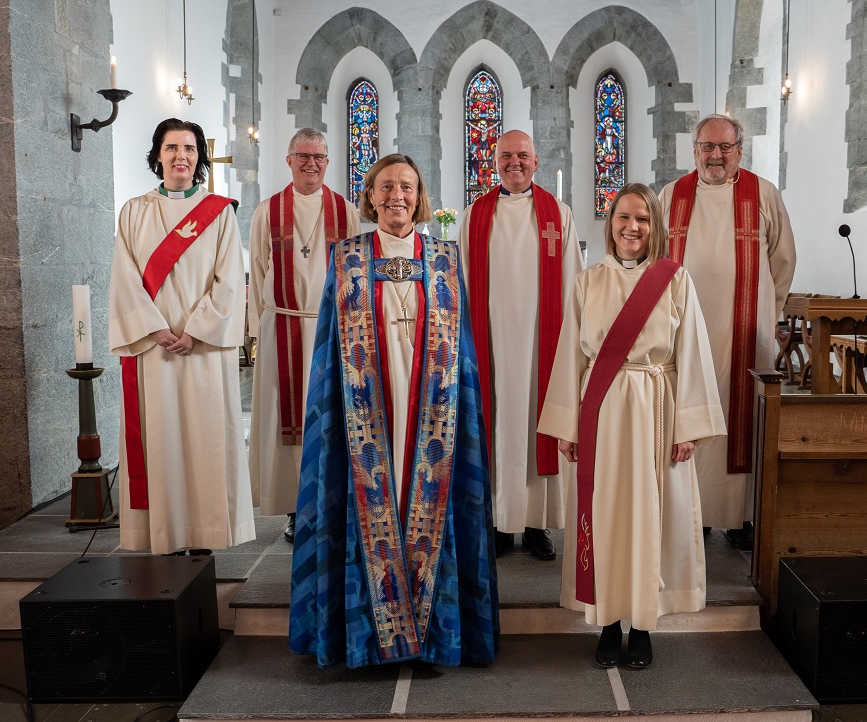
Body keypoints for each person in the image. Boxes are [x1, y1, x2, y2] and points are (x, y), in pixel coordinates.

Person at [290, 154, 498, 668]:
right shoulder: (347, 258)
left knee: (426, 498)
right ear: (371, 194)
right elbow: (330, 353)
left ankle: (434, 634)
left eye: (406, 186)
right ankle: (365, 640)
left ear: (419, 194)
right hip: (368, 411)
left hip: (434, 412)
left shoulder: (445, 260)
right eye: (386, 187)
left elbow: (463, 352)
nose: (396, 196)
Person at [538, 183, 726, 669]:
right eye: (623, 217)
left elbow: (693, 355)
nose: (632, 227)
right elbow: (569, 358)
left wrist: (688, 426)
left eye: (642, 219)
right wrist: (567, 426)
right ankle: (607, 621)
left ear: (654, 226)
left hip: (656, 409)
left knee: (651, 514)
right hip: (601, 410)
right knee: (605, 514)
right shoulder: (588, 281)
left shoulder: (674, 280)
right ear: (610, 223)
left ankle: (643, 623)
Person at [109, 118, 255, 555]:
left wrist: (195, 332)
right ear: (157, 156)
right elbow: (124, 277)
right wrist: (155, 328)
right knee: (163, 438)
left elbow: (229, 280)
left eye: (189, 149)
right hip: (154, 349)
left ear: (199, 158)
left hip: (203, 351)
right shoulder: (135, 211)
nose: (181, 157)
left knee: (205, 439)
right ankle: (164, 532)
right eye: (171, 148)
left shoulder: (220, 213)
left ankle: (204, 534)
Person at [657, 114, 796, 549]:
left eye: (725, 147)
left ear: (740, 150)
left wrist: (765, 312)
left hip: (745, 328)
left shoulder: (763, 194)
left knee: (744, 415)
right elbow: (654, 257)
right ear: (694, 150)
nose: (715, 155)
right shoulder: (671, 195)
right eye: (707, 147)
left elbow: (783, 259)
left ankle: (740, 517)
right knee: (688, 413)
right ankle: (692, 514)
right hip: (683, 329)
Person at [457, 129, 584, 561]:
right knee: (496, 428)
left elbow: (574, 284)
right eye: (506, 156)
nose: (515, 163)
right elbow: (462, 282)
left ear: (536, 161)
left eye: (523, 156)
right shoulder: (474, 216)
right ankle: (497, 522)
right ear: (493, 162)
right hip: (490, 341)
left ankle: (535, 524)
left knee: (538, 425)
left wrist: (571, 342)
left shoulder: (558, 214)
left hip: (542, 342)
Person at [247, 128, 360, 543]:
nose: (311, 163)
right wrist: (258, 331)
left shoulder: (345, 211)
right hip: (283, 327)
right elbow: (259, 270)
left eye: (319, 157)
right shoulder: (267, 211)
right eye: (303, 156)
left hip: (333, 330)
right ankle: (295, 508)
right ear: (289, 159)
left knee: (332, 418)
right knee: (285, 423)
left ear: (328, 162)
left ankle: (331, 502)